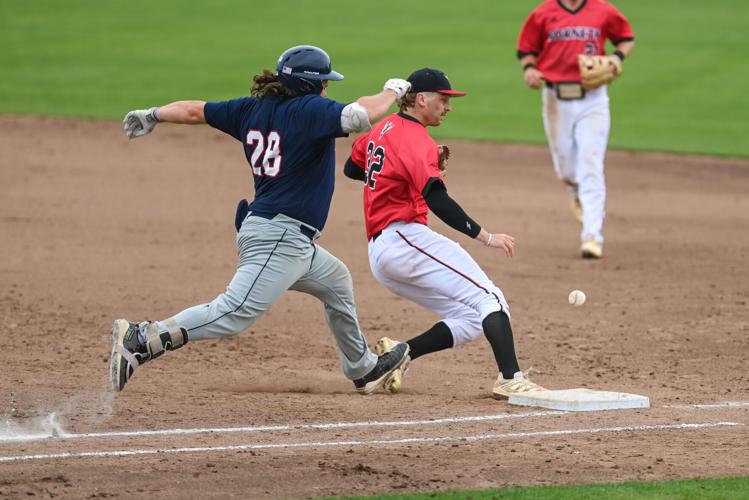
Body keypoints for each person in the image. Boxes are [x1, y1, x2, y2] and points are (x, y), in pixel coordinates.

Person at [111, 45, 412, 395]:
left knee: (336, 282)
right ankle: (142, 339)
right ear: (309, 84)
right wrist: (393, 90)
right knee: (233, 311)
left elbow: (195, 111)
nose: (328, 88)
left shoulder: (249, 109)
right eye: (324, 82)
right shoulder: (309, 110)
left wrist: (153, 114)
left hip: (282, 235)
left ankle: (364, 368)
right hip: (279, 237)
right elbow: (361, 115)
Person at [343, 68, 545, 399]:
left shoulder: (382, 128)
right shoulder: (416, 138)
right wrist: (486, 236)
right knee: (490, 299)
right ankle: (511, 380)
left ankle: (401, 353)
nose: (448, 107)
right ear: (421, 99)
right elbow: (436, 198)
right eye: (443, 99)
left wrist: (400, 173)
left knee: (470, 317)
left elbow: (353, 168)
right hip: (405, 240)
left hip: (383, 253)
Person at [517, 0, 635, 259]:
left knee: (590, 164)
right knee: (567, 170)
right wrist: (530, 70)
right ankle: (576, 193)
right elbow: (527, 49)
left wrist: (615, 58)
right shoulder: (543, 13)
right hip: (555, 99)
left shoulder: (603, 10)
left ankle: (592, 236)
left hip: (593, 100)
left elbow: (626, 38)